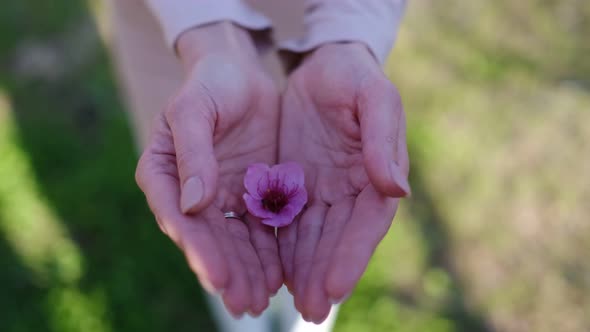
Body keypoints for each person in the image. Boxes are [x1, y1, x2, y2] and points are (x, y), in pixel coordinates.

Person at [108, 1, 409, 331]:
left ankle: (306, 318)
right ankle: (238, 313)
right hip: (176, 30)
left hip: (317, 22)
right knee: (204, 198)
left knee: (320, 255)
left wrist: (347, 37)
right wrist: (210, 35)